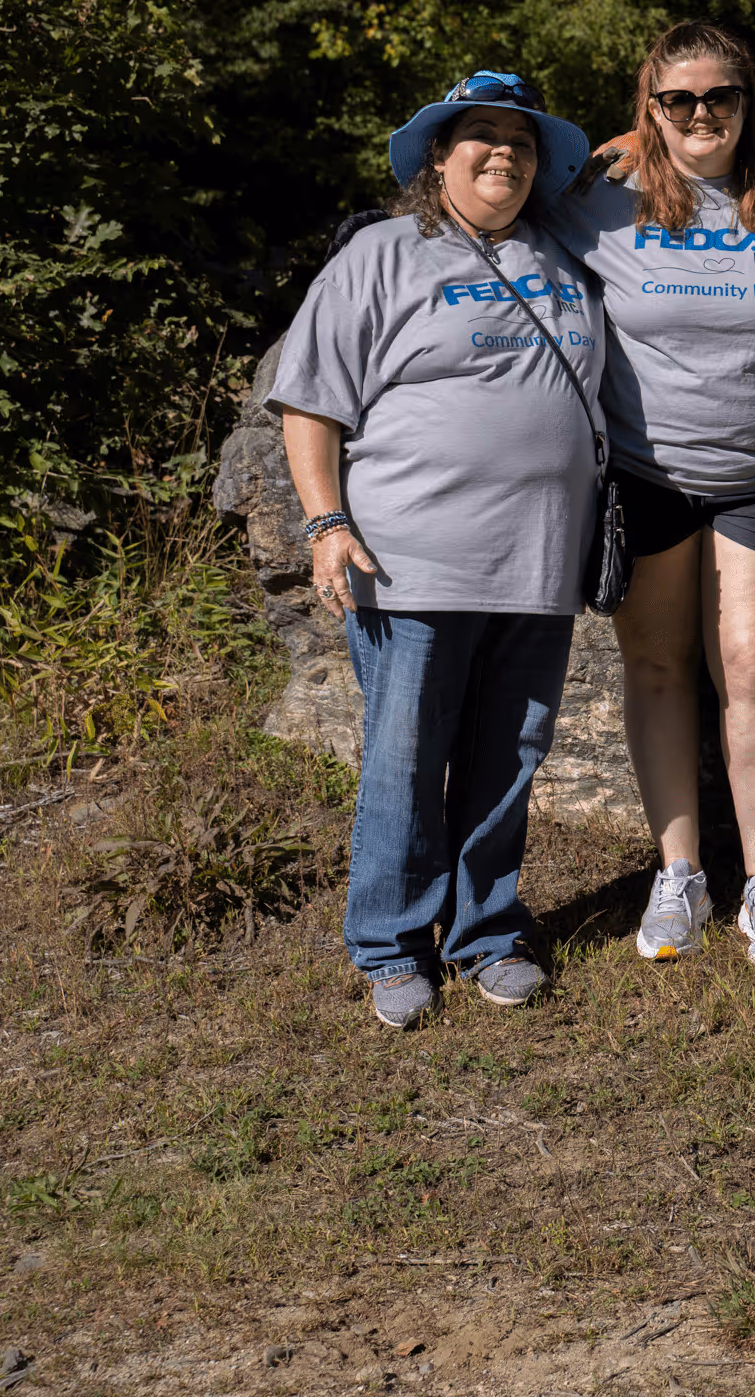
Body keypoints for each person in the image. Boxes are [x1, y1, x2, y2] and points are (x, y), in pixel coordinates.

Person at [270, 71, 602, 1029]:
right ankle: (388, 946)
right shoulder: (383, 253)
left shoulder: (564, 259)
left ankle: (487, 934)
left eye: (524, 142)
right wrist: (327, 524)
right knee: (406, 760)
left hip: (539, 562)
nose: (505, 153)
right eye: (483, 136)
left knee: (509, 756)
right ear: (437, 159)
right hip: (409, 560)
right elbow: (311, 400)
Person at [535, 23, 755, 967]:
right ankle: (678, 871)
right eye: (676, 101)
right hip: (648, 476)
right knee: (659, 669)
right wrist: (606, 151)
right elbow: (512, 212)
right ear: (651, 109)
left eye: (719, 96)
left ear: (748, 103)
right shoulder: (604, 203)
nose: (700, 115)